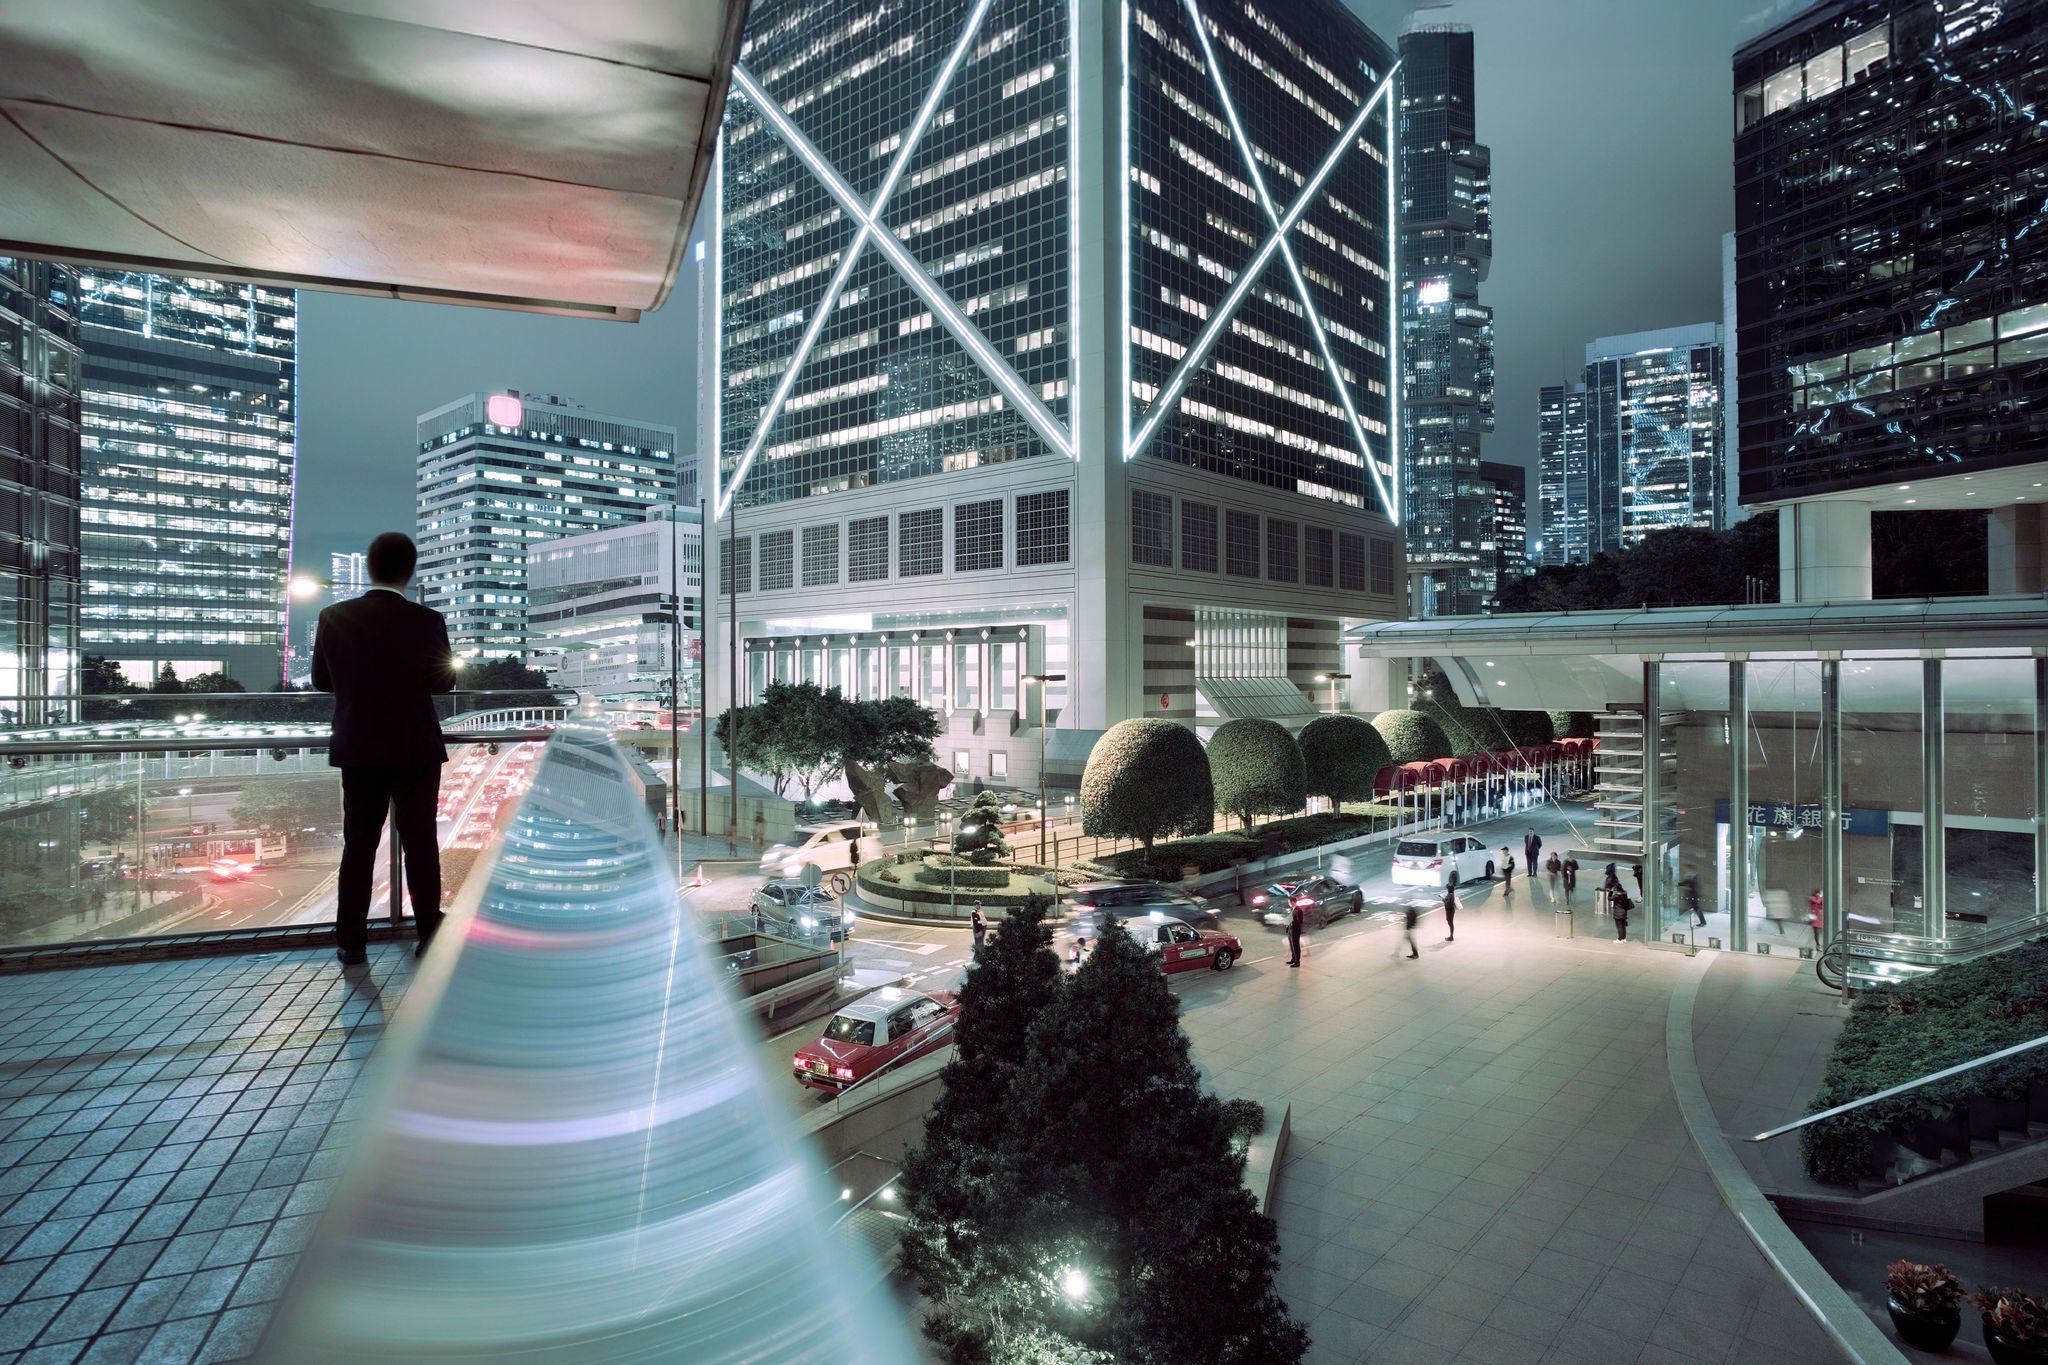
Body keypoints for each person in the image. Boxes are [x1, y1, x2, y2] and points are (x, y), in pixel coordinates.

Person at [312, 532, 457, 966]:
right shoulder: (427, 620)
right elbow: (442, 682)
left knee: (358, 845)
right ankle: (428, 932)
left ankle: (351, 942)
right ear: (409, 571)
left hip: (358, 745)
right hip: (415, 746)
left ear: (369, 567)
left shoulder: (333, 616)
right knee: (420, 842)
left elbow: (321, 680)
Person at [1287, 897, 1304, 967]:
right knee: (1292, 946)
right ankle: (1293, 959)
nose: (1288, 904)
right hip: (1290, 930)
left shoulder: (1299, 910)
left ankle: (1297, 962)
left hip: (1295, 931)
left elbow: (1300, 921)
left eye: (1289, 902)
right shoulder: (1293, 909)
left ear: (1293, 902)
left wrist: (1292, 922)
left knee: (1296, 946)